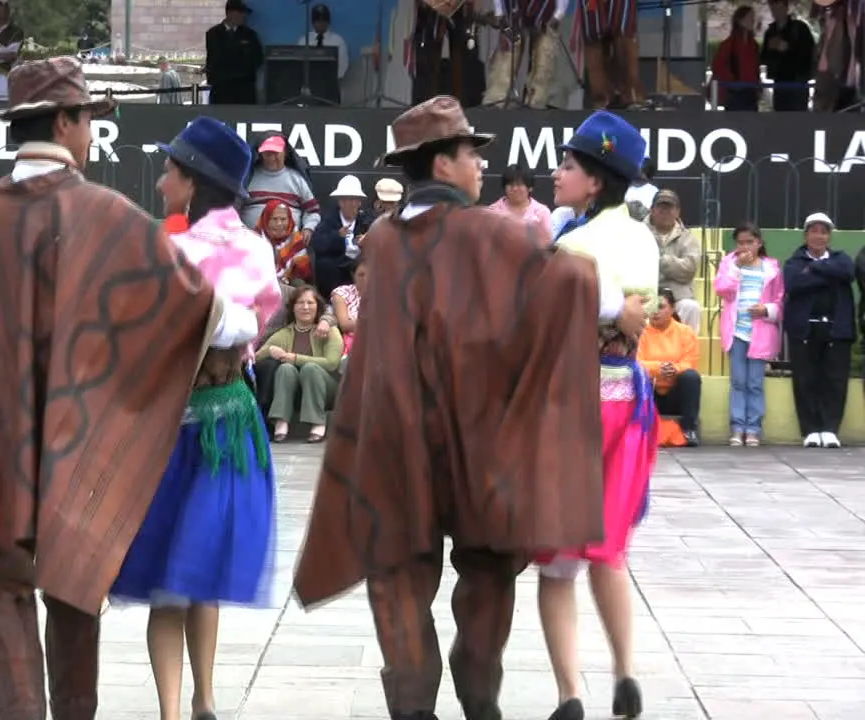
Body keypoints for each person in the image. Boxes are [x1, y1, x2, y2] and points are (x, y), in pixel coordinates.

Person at [292, 96, 648, 720]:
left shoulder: (380, 240)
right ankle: (478, 688)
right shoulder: (500, 235)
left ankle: (412, 698)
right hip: (482, 441)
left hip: (396, 438)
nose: (480, 165)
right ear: (443, 162)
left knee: (400, 571)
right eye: (471, 153)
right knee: (486, 569)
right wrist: (618, 306)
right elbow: (567, 287)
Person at [0, 56, 261, 720]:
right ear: (64, 120)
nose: (92, 135)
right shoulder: (104, 212)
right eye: (88, 119)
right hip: (72, 443)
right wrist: (248, 315)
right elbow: (200, 310)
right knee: (74, 587)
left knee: (4, 590)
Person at [111, 115, 282, 720]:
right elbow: (256, 325)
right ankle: (206, 700)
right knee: (202, 569)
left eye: (169, 172)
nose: (161, 183)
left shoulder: (172, 252)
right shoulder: (257, 249)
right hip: (232, 416)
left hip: (173, 429)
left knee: (165, 577)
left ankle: (172, 711)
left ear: (193, 181)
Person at [541, 110, 660, 720]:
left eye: (567, 166)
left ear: (594, 181)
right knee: (610, 549)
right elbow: (643, 311)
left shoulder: (571, 245)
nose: (555, 174)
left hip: (572, 407)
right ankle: (625, 671)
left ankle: (569, 693)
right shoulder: (642, 238)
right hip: (628, 401)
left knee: (559, 564)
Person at [785, 212, 855, 448]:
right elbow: (795, 284)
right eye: (814, 231)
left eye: (823, 231)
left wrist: (814, 270)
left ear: (829, 236)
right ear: (806, 235)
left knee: (834, 380)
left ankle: (830, 429)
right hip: (805, 331)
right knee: (806, 380)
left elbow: (847, 272)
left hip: (837, 330)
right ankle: (811, 430)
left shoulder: (841, 258)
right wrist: (827, 273)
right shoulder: (795, 262)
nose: (819, 236)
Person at [715, 223, 783, 447]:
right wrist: (736, 267)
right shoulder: (729, 263)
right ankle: (737, 427)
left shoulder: (771, 268)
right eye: (740, 242)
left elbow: (780, 301)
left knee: (755, 382)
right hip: (737, 332)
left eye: (749, 242)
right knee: (738, 381)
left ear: (759, 243)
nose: (744, 247)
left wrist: (767, 310)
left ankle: (753, 429)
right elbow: (723, 290)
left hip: (760, 332)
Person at [257, 287, 344, 443]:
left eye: (310, 303)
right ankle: (281, 421)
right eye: (300, 303)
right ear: (293, 307)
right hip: (296, 391)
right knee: (285, 368)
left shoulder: (329, 331)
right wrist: (270, 350)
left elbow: (332, 363)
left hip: (327, 389)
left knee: (310, 368)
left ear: (318, 306)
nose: (305, 307)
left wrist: (295, 358)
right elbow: (256, 357)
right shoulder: (284, 333)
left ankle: (318, 421)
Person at [638, 288, 703, 447]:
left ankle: (689, 429)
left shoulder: (685, 332)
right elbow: (636, 362)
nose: (656, 312)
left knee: (691, 377)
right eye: (652, 307)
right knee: (636, 377)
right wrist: (659, 368)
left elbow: (691, 362)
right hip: (650, 391)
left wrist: (675, 369)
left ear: (672, 309)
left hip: (674, 392)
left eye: (661, 306)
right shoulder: (640, 331)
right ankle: (640, 429)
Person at [646, 189, 702, 332]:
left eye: (669, 207)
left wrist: (661, 260)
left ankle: (687, 353)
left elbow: (689, 270)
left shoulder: (688, 238)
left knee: (691, 307)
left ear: (677, 211)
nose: (665, 211)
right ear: (652, 210)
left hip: (678, 297)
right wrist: (675, 265)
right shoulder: (639, 232)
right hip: (646, 295)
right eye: (661, 207)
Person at [311, 174, 373, 300]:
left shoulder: (367, 220)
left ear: (359, 202)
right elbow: (317, 245)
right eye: (346, 200)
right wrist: (337, 236)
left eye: (354, 200)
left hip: (359, 267)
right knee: (325, 264)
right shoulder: (328, 220)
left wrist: (367, 241)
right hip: (336, 270)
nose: (350, 204)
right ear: (339, 202)